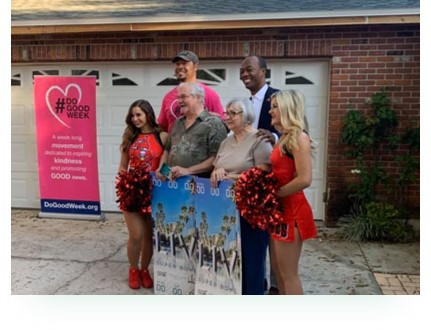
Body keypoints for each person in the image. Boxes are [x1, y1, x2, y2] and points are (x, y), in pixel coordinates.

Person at [210, 97, 273, 295]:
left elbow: (264, 171)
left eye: (233, 113)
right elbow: (216, 167)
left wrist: (231, 177)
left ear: (246, 116)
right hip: (225, 209)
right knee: (230, 258)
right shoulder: (226, 141)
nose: (227, 117)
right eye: (226, 113)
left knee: (251, 258)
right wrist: (216, 173)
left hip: (251, 208)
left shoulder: (259, 140)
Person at [268, 89, 317, 295]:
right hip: (278, 211)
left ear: (288, 108)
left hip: (292, 212)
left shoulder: (299, 137)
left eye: (275, 107)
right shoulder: (283, 138)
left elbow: (305, 179)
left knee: (289, 274)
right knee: (278, 272)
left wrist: (275, 194)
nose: (271, 111)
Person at [118, 99, 168, 289]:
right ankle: (133, 269)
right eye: (132, 115)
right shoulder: (130, 136)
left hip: (153, 193)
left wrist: (163, 174)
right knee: (136, 235)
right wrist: (126, 183)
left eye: (138, 114)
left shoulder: (162, 136)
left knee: (149, 236)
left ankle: (144, 269)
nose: (135, 119)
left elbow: (166, 163)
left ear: (148, 114)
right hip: (131, 192)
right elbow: (123, 167)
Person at [240, 54, 280, 294]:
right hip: (250, 181)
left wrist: (273, 137)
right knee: (255, 239)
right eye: (242, 71)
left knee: (274, 235)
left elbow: (299, 129)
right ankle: (258, 281)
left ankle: (276, 284)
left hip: (274, 175)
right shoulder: (244, 104)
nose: (245, 74)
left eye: (250, 70)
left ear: (264, 71)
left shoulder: (278, 97)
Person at [156, 82, 227, 180]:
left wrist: (188, 170)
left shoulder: (214, 123)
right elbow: (167, 150)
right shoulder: (177, 122)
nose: (179, 101)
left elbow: (217, 158)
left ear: (197, 97)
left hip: (198, 188)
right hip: (173, 185)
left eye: (184, 97)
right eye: (178, 97)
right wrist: (162, 169)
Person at [158, 50, 225, 133]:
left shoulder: (209, 94)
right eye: (178, 64)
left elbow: (222, 126)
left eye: (184, 63)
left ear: (196, 66)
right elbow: (162, 128)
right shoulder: (168, 97)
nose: (180, 67)